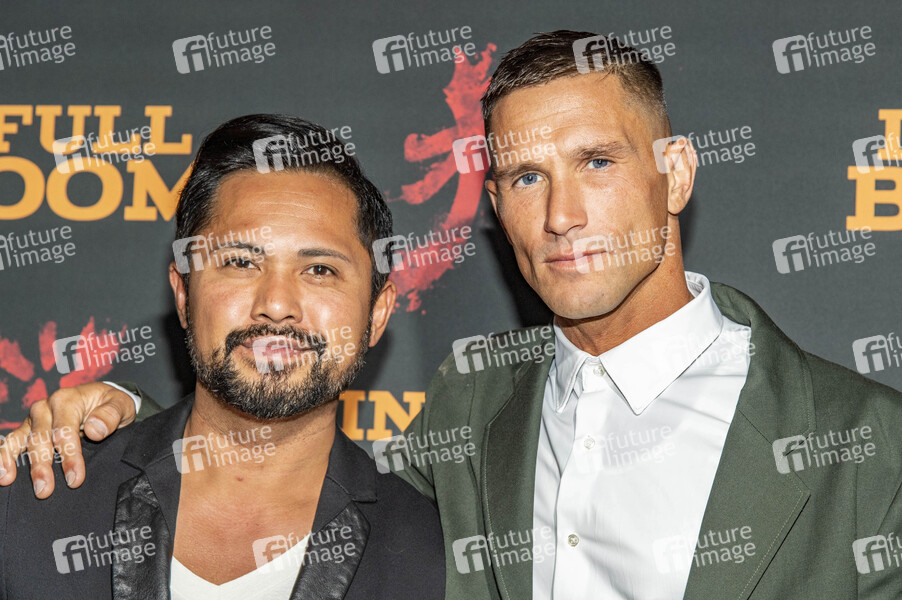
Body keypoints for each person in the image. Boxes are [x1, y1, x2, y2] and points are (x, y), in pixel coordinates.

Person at [6, 31, 902, 600]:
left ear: (675, 173)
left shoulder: (867, 446)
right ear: (496, 204)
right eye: (525, 176)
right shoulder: (473, 404)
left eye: (596, 162)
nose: (562, 214)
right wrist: (119, 423)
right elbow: (292, 459)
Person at [0, 114, 444, 599]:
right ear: (183, 294)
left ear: (377, 314)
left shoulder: (431, 558)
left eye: (319, 270)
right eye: (240, 262)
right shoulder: (30, 500)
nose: (277, 304)